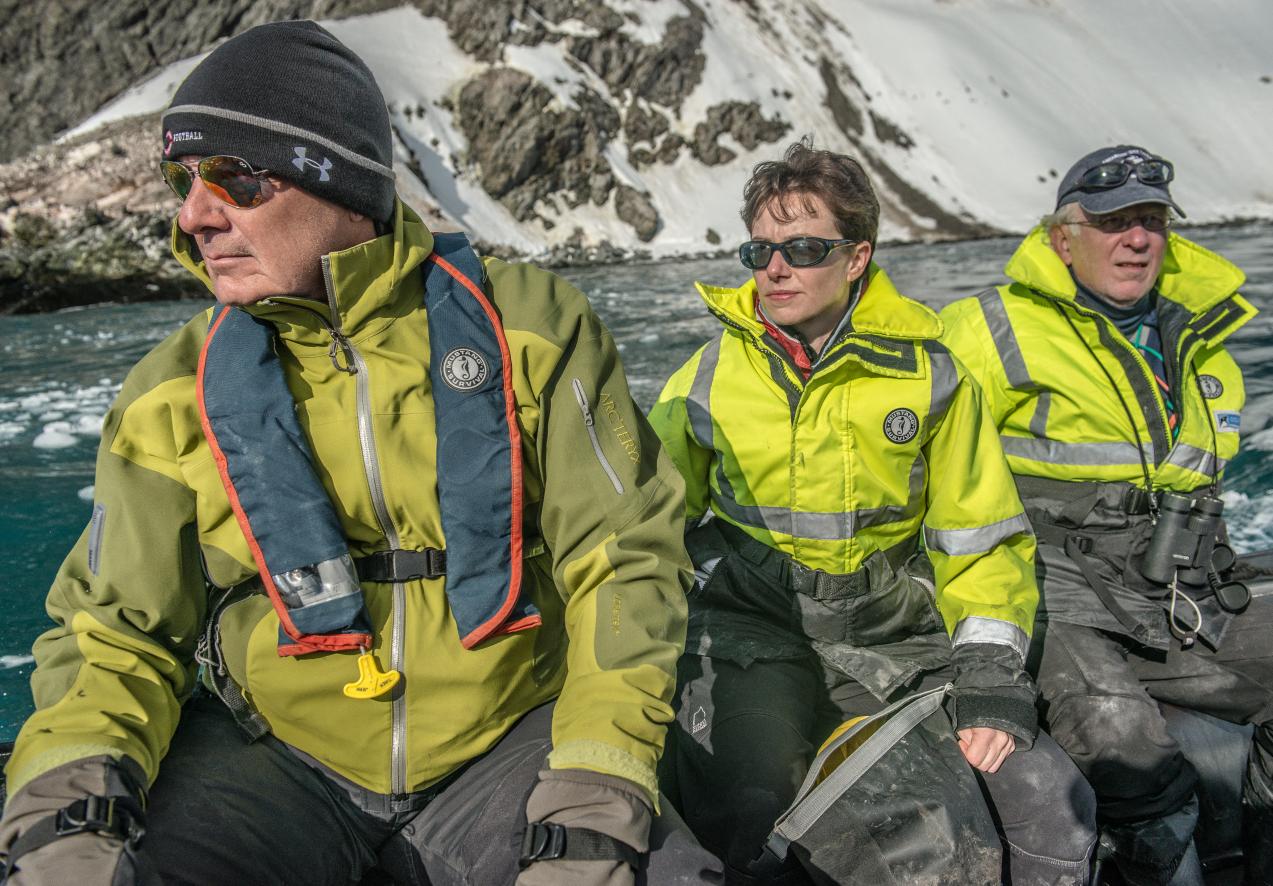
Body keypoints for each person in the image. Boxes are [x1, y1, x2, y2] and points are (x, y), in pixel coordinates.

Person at [0, 21, 721, 886]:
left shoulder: (532, 328)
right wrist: (69, 807)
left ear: (339, 183)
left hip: (505, 747)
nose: (193, 216)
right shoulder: (170, 391)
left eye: (235, 177)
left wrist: (598, 777)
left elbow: (625, 559)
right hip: (275, 762)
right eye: (182, 181)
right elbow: (119, 629)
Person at [648, 140, 1096, 885]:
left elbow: (980, 538)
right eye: (757, 251)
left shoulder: (933, 378)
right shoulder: (705, 378)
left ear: (856, 258)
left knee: (1048, 800)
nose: (774, 270)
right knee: (748, 807)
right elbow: (643, 520)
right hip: (757, 636)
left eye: (803, 248)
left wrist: (988, 670)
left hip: (900, 639)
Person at [940, 144, 1273, 885]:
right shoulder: (984, 329)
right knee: (1128, 750)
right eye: (1111, 220)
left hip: (1177, 586)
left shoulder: (1198, 338)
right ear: (1063, 237)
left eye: (1150, 220)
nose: (1135, 238)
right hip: (1053, 594)